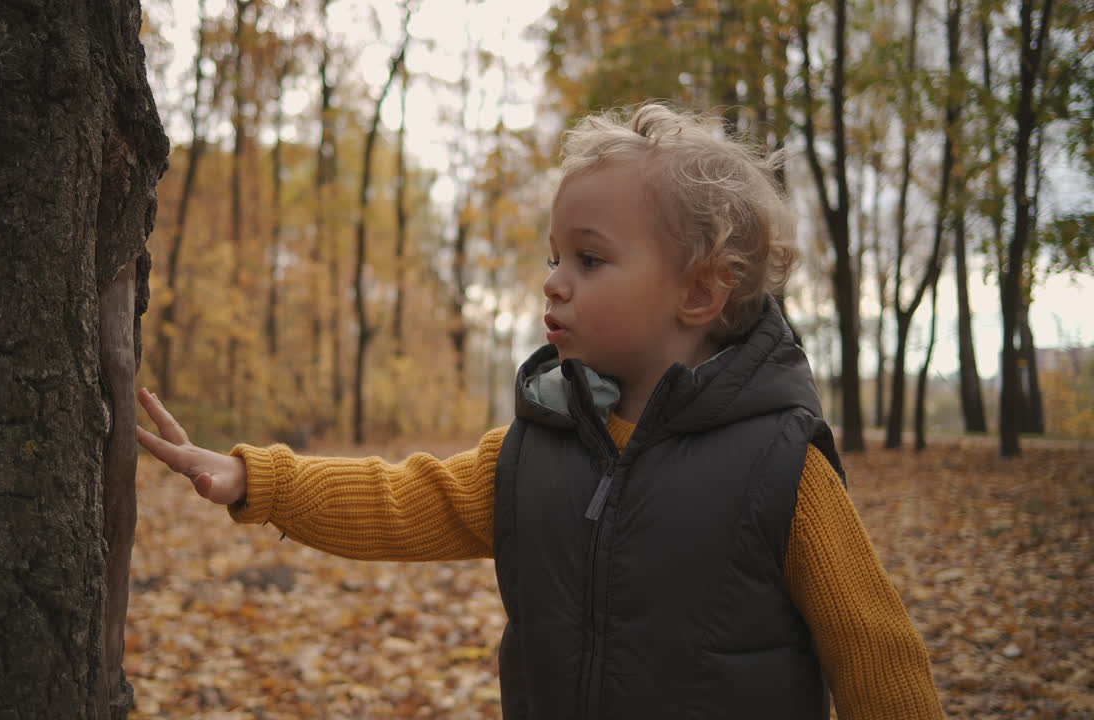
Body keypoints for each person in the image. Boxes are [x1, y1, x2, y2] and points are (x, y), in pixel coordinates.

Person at [136, 102, 944, 718]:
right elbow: (398, 500)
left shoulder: (779, 468)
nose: (554, 280)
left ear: (699, 291)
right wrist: (253, 478)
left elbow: (878, 657)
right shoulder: (534, 450)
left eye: (590, 259)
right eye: (555, 256)